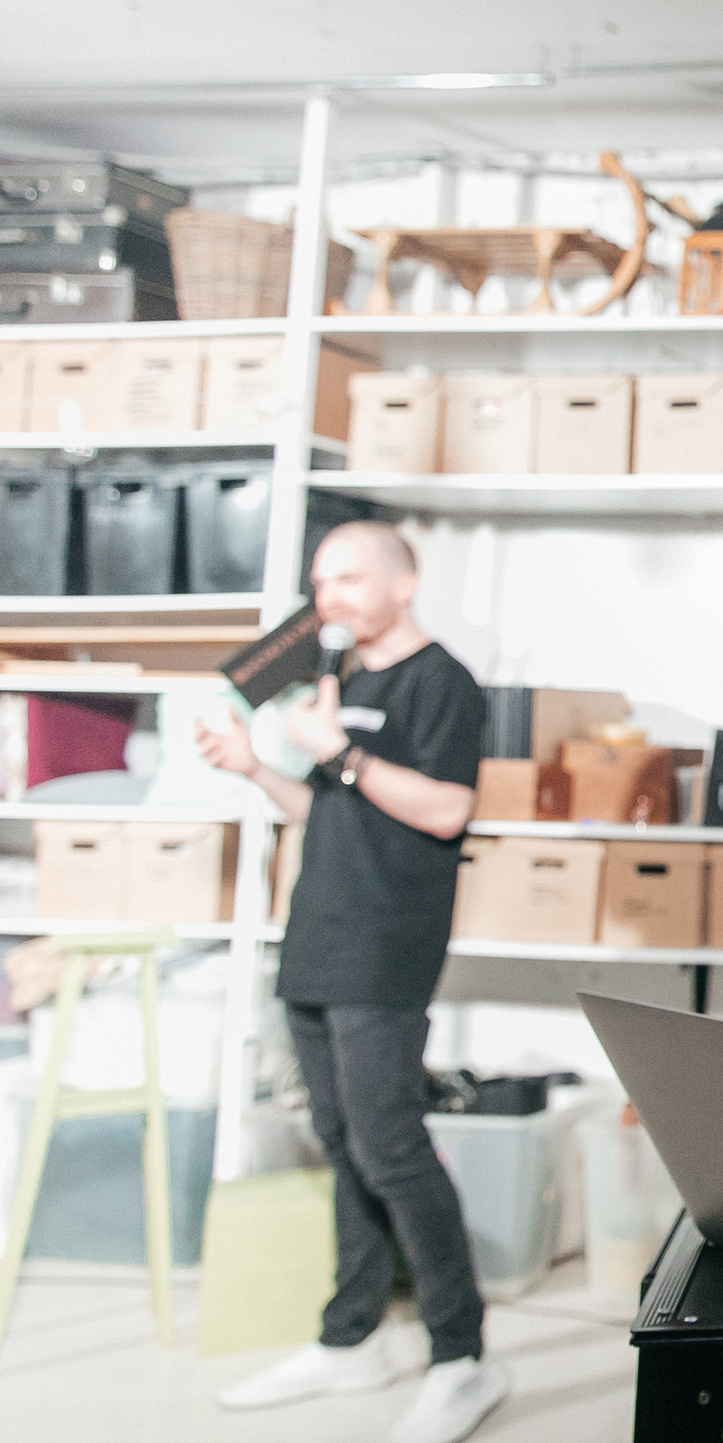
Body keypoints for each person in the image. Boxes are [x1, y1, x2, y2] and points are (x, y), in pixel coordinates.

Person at [196, 523, 509, 1443]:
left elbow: (448, 808)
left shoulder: (440, 680)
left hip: (385, 945)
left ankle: (464, 1357)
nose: (326, 593)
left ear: (402, 583)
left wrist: (340, 753)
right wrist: (260, 765)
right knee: (342, 1143)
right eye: (319, 579)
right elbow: (329, 808)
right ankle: (352, 1338)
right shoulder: (346, 682)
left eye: (346, 576)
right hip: (315, 941)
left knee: (391, 1147)